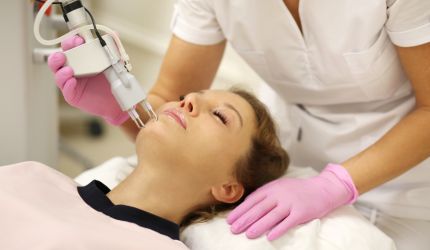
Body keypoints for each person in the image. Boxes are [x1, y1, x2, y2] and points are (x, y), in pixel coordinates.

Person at [47, 1, 430, 249]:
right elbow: (169, 98)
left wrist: (336, 185)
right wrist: (121, 104)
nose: (189, 101)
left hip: (407, 182)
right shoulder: (33, 185)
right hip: (288, 159)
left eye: (218, 114)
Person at [0, 89, 289, 249]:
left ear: (228, 187)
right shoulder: (33, 176)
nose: (189, 100)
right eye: (186, 95)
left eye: (219, 116)